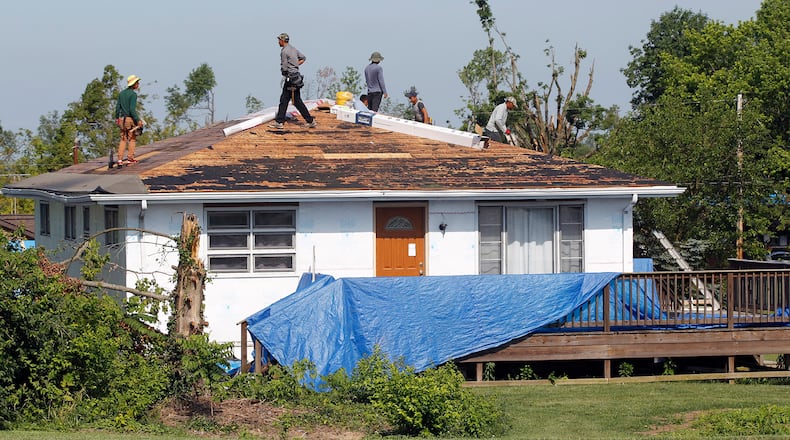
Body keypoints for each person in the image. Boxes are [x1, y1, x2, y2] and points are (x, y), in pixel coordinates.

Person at [269, 33, 316, 129]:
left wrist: (286, 71)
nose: (278, 42)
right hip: (296, 78)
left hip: (290, 80)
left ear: (282, 40)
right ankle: (280, 121)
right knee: (288, 100)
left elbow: (284, 68)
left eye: (279, 40)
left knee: (290, 101)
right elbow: (303, 58)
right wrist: (295, 65)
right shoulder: (293, 49)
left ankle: (309, 121)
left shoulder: (284, 52)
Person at [114, 74, 145, 166]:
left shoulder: (122, 93)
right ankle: (130, 159)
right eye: (137, 83)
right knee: (132, 139)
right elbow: (132, 110)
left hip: (122, 119)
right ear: (134, 84)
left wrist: (117, 118)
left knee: (123, 139)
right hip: (129, 119)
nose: (138, 84)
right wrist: (138, 120)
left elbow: (117, 108)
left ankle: (119, 160)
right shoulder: (133, 95)